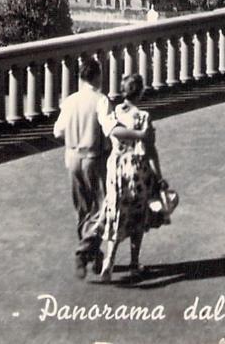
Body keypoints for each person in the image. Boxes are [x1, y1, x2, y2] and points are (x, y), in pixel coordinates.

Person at [52, 59, 149, 279]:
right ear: (97, 76)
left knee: (83, 208)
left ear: (80, 77)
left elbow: (58, 131)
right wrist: (137, 134)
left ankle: (92, 255)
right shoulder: (100, 100)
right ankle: (83, 251)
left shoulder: (70, 100)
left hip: (71, 157)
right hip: (92, 159)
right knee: (104, 208)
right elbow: (110, 128)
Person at [97, 74, 166, 283]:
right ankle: (134, 264)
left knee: (116, 211)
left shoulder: (116, 112)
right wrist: (159, 176)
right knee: (137, 213)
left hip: (116, 166)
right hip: (137, 167)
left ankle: (109, 259)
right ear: (141, 92)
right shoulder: (144, 117)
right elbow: (151, 150)